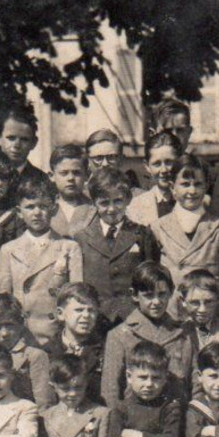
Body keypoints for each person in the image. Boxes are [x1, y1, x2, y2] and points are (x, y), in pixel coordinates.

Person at [0, 173, 82, 345]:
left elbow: (76, 297)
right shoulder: (8, 250)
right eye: (30, 207)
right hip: (22, 334)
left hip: (56, 334)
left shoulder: (69, 247)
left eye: (43, 206)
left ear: (54, 209)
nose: (37, 213)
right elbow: (4, 300)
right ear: (19, 212)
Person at [100, 262, 194, 406]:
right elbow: (110, 391)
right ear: (135, 295)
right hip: (134, 420)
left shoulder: (183, 333)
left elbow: (195, 384)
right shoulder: (119, 335)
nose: (156, 302)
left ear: (171, 291)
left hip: (176, 417)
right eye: (148, 295)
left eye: (162, 294)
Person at [75, 165, 159, 324]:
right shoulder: (82, 239)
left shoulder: (143, 235)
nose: (112, 209)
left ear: (128, 199)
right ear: (94, 203)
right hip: (95, 320)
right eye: (104, 203)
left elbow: (151, 280)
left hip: (134, 318)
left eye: (118, 201)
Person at [152, 153, 219, 291]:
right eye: (185, 184)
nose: (192, 191)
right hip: (173, 307)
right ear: (172, 187)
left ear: (206, 186)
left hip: (207, 306)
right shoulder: (158, 228)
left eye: (198, 184)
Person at [0, 294, 52, 409]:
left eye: (9, 325)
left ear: (21, 323)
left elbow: (44, 404)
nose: (4, 333)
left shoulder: (34, 356)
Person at [41, 282, 106, 389]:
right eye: (79, 310)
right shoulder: (46, 352)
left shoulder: (105, 350)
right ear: (60, 314)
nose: (86, 315)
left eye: (91, 310)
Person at [178, 269, 219, 367]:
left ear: (217, 300)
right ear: (183, 301)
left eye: (208, 302)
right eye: (195, 303)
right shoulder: (179, 332)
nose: (202, 309)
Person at [0, 104, 49, 208]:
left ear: (34, 143)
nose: (16, 145)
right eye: (11, 138)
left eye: (24, 139)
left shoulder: (42, 180)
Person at [126, 130, 183, 230]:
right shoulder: (136, 206)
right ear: (147, 166)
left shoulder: (194, 200)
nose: (164, 170)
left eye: (169, 162)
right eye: (157, 164)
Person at [47, 142, 97, 238]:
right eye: (64, 173)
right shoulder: (45, 209)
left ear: (87, 175)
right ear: (52, 176)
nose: (70, 178)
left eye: (76, 173)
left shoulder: (95, 209)